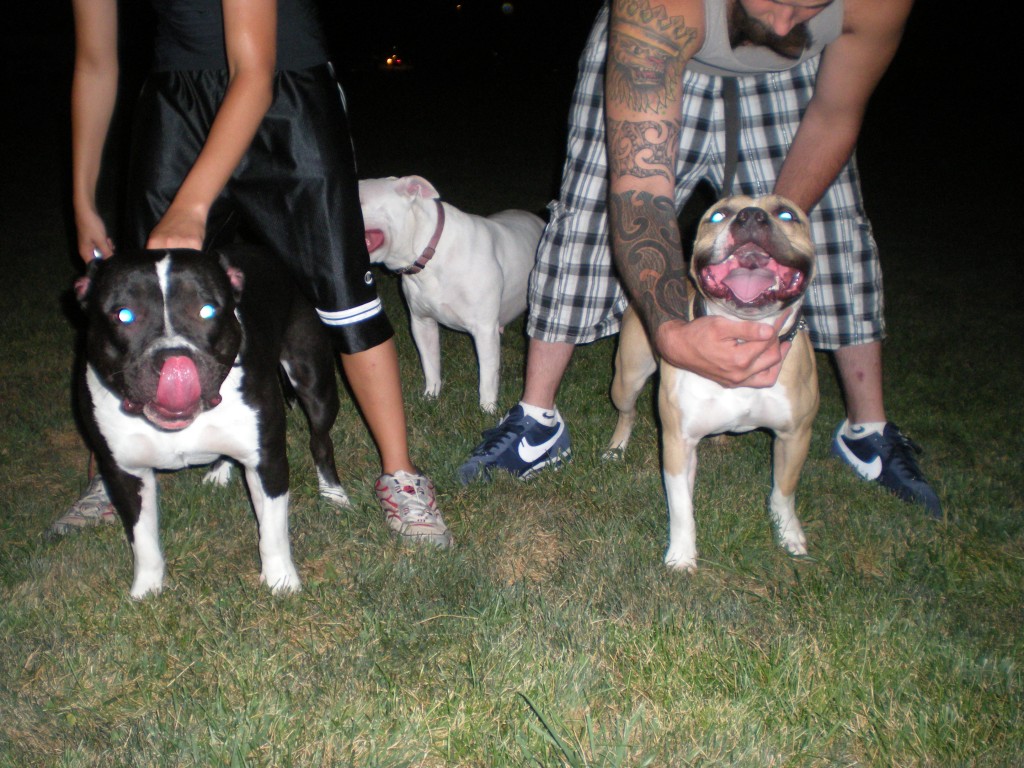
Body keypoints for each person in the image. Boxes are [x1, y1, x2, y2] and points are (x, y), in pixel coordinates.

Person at [458, 0, 942, 518]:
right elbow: (641, 192)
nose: (786, 22)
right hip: (653, 59)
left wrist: (775, 232)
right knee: (589, 217)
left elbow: (835, 116)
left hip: (793, 76)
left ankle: (867, 429)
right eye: (778, 0)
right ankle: (538, 420)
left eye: (812, 5)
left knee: (832, 224)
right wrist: (670, 331)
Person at [52, 0, 453, 546]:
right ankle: (110, 470)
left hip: (286, 93)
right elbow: (96, 63)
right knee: (135, 297)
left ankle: (401, 475)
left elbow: (253, 73)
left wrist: (192, 206)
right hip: (175, 104)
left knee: (345, 295)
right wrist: (82, 202)